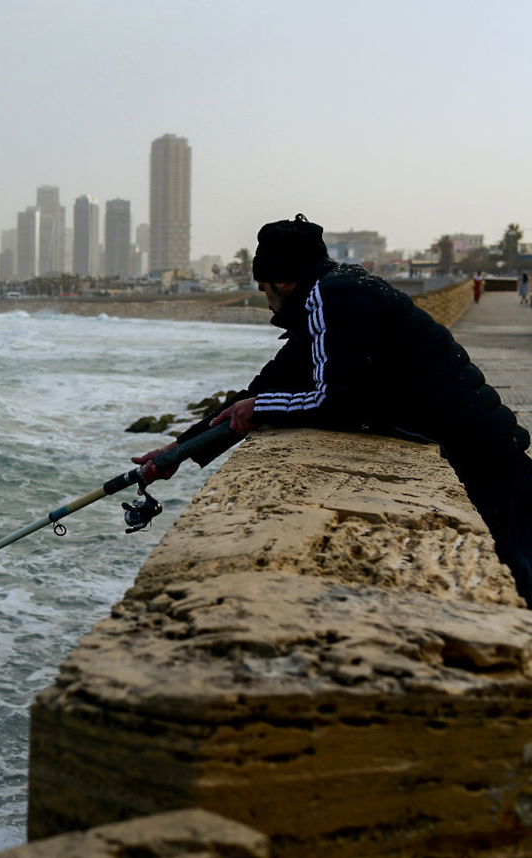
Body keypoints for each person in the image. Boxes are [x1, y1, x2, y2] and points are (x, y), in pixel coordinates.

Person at [132, 214, 532, 602]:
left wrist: (261, 408)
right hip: (482, 444)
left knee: (518, 578)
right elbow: (268, 385)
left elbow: (337, 399)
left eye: (263, 288)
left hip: (480, 455)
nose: (266, 301)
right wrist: (177, 451)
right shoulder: (337, 293)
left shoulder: (332, 297)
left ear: (281, 281)